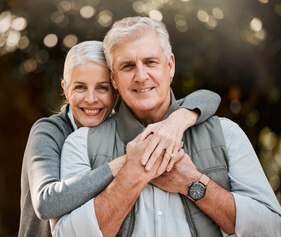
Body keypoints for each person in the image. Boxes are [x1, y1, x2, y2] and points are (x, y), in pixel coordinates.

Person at [52, 17, 281, 237]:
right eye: (127, 66)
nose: (141, 76)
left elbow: (272, 228)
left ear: (170, 66)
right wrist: (134, 173)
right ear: (113, 79)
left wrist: (192, 183)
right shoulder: (80, 144)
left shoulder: (226, 134)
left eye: (150, 62)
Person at [19, 40, 222, 237]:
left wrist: (180, 119)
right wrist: (129, 160)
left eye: (102, 88)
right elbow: (46, 203)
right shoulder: (48, 130)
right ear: (65, 87)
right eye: (80, 87)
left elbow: (209, 97)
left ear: (116, 88)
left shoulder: (120, 126)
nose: (91, 99)